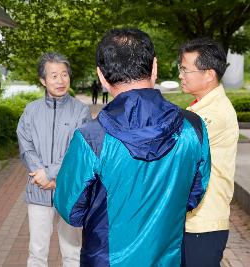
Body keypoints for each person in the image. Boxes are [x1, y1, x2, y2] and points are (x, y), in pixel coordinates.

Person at [54, 28, 212, 266]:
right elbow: (193, 195)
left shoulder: (91, 138)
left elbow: (71, 209)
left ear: (101, 76)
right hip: (168, 258)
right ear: (154, 67)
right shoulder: (194, 127)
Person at [17, 52, 91, 267]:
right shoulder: (31, 111)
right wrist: (40, 173)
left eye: (64, 75)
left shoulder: (81, 110)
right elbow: (25, 145)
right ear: (43, 80)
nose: (60, 81)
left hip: (69, 190)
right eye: (54, 76)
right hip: (38, 190)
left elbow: (77, 150)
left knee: (72, 252)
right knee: (37, 252)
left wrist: (49, 174)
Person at [178, 37, 239, 267]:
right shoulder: (200, 107)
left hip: (203, 225)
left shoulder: (213, 116)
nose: (180, 75)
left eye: (185, 69)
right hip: (193, 222)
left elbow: (177, 153)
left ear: (209, 74)